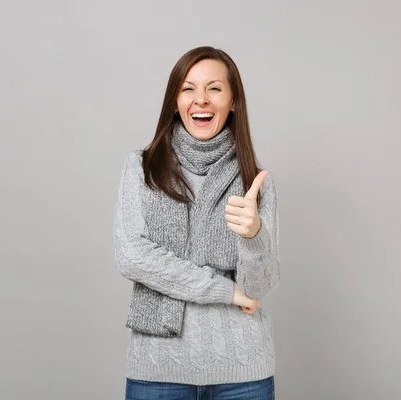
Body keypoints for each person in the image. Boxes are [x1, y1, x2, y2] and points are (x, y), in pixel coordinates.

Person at [113, 46, 281, 400]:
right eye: (189, 89)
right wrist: (226, 291)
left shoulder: (254, 181)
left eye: (215, 89)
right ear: (175, 101)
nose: (201, 100)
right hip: (158, 369)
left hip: (243, 372)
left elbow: (260, 288)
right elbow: (132, 255)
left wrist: (254, 235)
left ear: (234, 101)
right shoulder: (141, 169)